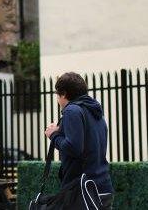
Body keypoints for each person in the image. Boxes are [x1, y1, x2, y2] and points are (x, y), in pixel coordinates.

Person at [44, 72, 113, 208]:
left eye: (57, 95)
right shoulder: (95, 110)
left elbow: (73, 148)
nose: (58, 100)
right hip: (103, 187)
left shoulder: (72, 111)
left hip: (81, 190)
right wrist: (61, 131)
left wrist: (53, 135)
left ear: (63, 94)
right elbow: (87, 142)